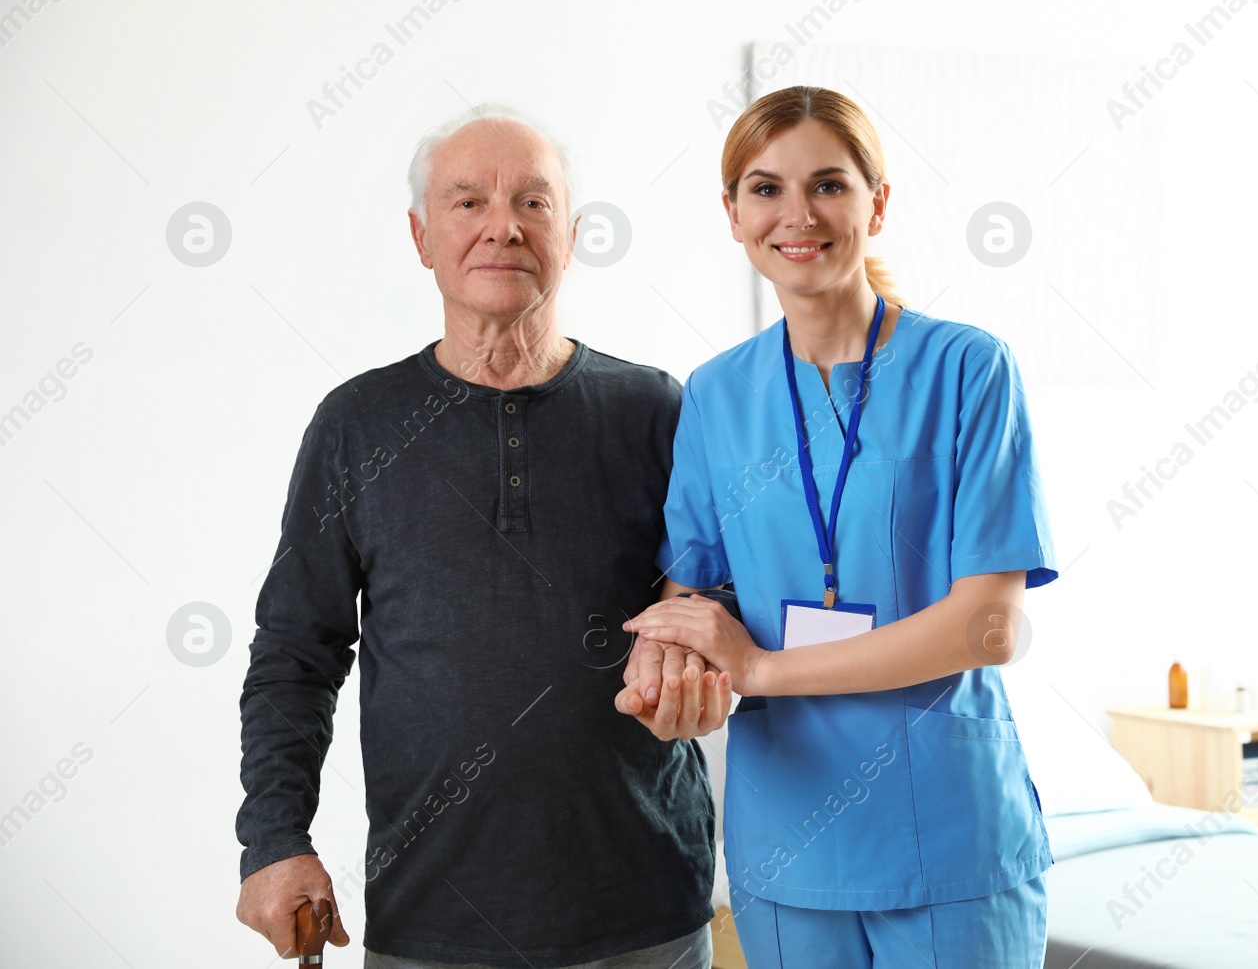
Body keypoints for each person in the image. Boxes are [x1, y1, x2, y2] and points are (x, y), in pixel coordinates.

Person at [234, 104, 731, 969]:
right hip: (433, 915)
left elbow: (716, 593)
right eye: (468, 202)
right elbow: (295, 651)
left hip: (645, 910)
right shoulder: (356, 423)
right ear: (422, 236)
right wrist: (275, 837)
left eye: (533, 203)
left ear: (571, 236)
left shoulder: (658, 409)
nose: (502, 225)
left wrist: (701, 653)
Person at [619, 86, 1060, 967]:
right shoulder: (715, 393)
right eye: (765, 188)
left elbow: (990, 623)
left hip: (949, 831)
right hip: (785, 846)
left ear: (878, 202)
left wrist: (759, 667)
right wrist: (666, 678)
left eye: (828, 184)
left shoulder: (967, 369)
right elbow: (691, 596)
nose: (798, 214)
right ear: (733, 215)